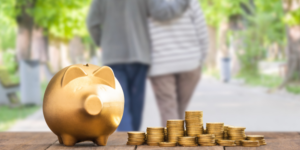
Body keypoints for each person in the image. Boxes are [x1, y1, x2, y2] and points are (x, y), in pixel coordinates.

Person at [87, 0, 190, 131]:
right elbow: (162, 13)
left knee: (119, 104)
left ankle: (127, 140)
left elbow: (92, 24)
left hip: (113, 59)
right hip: (138, 55)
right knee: (136, 107)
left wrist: (104, 43)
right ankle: (131, 139)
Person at [148, 0, 209, 127]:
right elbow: (202, 30)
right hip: (190, 63)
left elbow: (142, 33)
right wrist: (200, 59)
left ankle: (172, 144)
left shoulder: (147, 3)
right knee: (179, 110)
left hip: (160, 64)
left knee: (169, 110)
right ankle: (178, 142)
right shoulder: (191, 2)